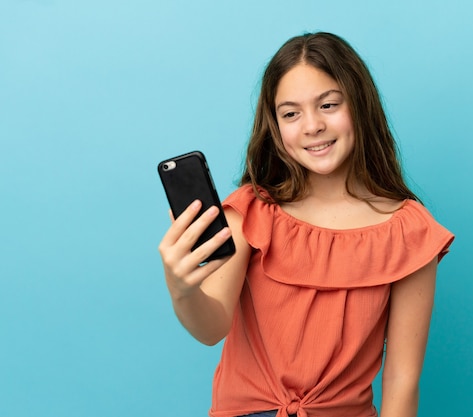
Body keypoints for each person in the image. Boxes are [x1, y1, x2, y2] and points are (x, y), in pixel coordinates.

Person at [158, 32, 454, 417]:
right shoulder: (251, 211)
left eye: (328, 104)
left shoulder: (410, 232)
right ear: (275, 125)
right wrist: (181, 289)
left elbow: (402, 379)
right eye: (291, 113)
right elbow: (211, 328)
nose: (312, 126)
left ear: (360, 105)